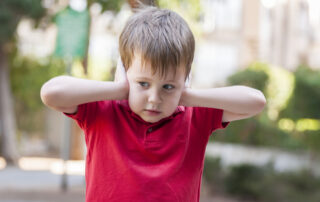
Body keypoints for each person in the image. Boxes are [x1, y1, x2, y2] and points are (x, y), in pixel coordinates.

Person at [40, 5, 266, 202]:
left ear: (184, 82)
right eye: (143, 83)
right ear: (125, 73)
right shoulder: (103, 111)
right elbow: (51, 93)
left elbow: (256, 102)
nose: (154, 99)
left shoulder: (194, 117)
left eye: (168, 86)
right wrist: (120, 89)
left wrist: (187, 96)